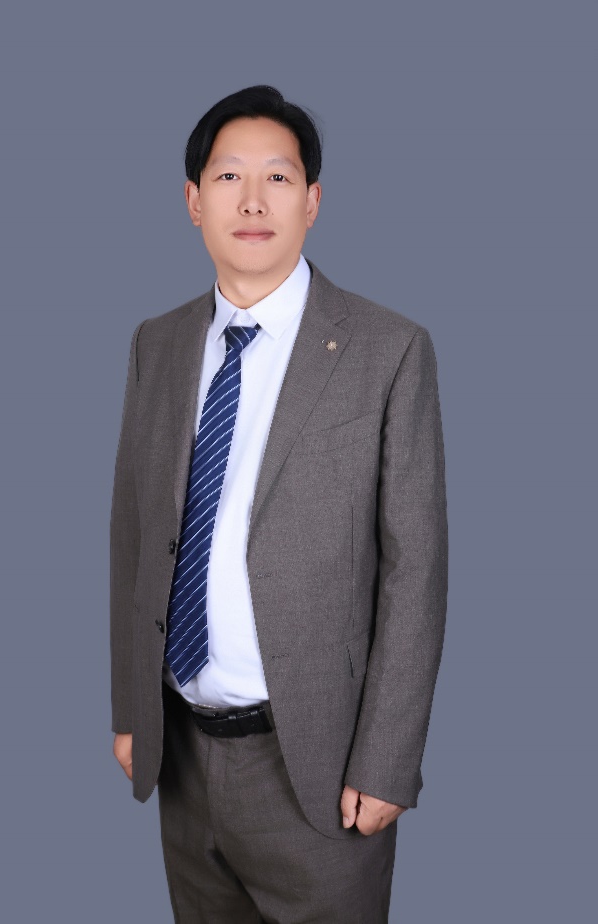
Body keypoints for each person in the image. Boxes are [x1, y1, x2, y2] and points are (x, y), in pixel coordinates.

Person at [110, 84, 448, 923]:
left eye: (279, 178)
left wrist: (388, 759)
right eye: (228, 177)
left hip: (319, 767)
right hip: (181, 752)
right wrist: (131, 709)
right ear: (194, 201)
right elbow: (134, 535)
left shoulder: (388, 350)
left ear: (313, 201)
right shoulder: (158, 343)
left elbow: (416, 572)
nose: (253, 201)